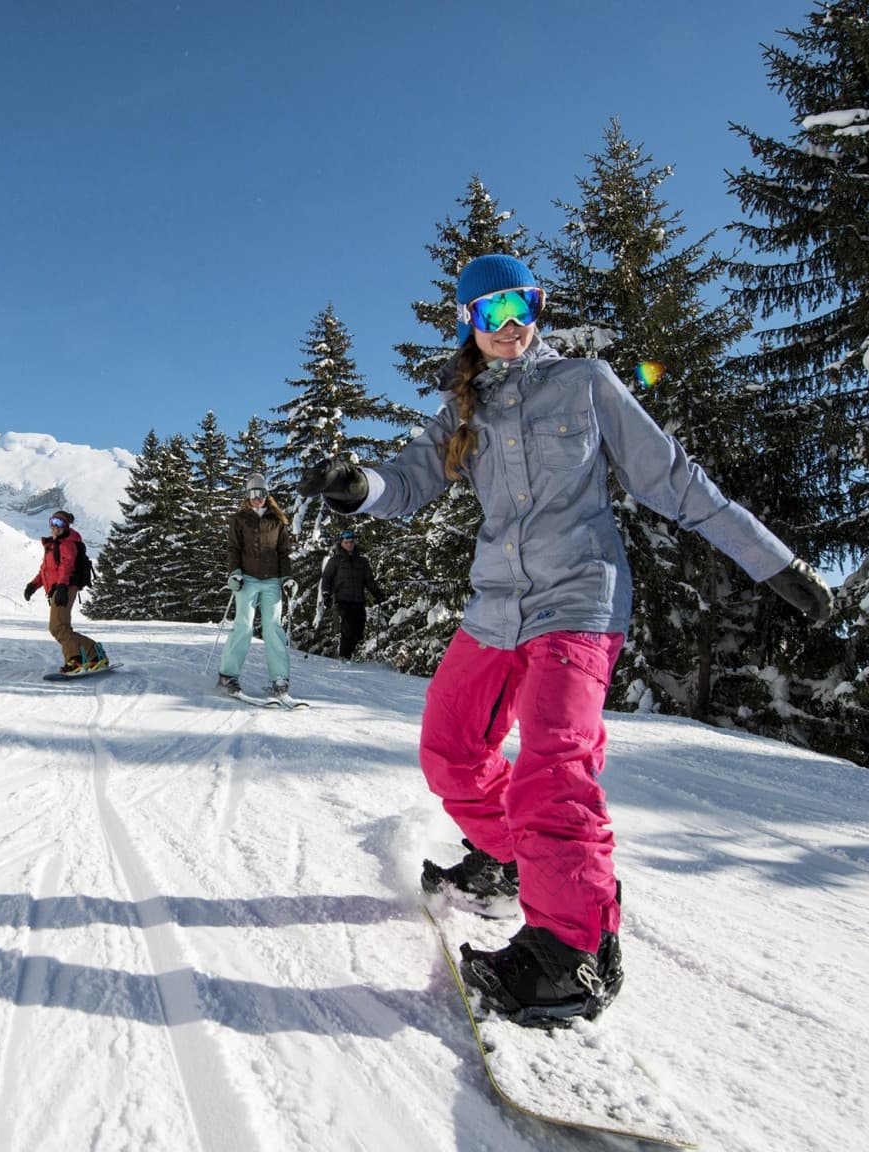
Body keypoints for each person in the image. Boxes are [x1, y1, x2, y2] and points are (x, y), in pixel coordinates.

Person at [300, 253, 832, 1026]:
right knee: (450, 749)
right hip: (495, 606)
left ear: (539, 308)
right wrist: (360, 489)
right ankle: (510, 862)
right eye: (492, 315)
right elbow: (409, 479)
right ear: (469, 325)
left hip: (578, 599)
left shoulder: (585, 382)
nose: (511, 327)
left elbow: (673, 480)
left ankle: (573, 952)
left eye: (523, 307)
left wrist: (772, 560)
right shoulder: (462, 409)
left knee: (553, 761)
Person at [217, 474, 295, 700]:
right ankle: (228, 675)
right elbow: (233, 549)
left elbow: (284, 553)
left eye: (260, 494)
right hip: (248, 579)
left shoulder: (277, 521)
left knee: (273, 628)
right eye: (252, 494)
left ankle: (280, 678)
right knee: (243, 625)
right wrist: (234, 573)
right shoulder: (240, 519)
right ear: (247, 496)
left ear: (266, 495)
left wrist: (287, 578)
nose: (256, 499)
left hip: (272, 580)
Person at [25, 510, 107, 673]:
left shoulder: (67, 544)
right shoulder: (52, 546)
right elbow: (45, 570)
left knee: (58, 628)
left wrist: (62, 587)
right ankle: (95, 655)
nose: (55, 526)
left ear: (66, 526)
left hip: (65, 588)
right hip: (59, 589)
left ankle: (75, 660)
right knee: (61, 628)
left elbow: (66, 566)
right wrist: (33, 585)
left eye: (60, 523)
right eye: (53, 522)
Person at [321, 529, 384, 660]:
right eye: (346, 542)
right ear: (341, 543)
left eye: (351, 542)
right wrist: (326, 594)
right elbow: (326, 578)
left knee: (359, 630)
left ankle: (349, 654)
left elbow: (369, 580)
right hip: (343, 599)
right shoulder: (335, 561)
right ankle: (344, 657)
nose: (349, 544)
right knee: (347, 628)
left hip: (359, 600)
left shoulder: (362, 561)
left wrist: (377, 593)